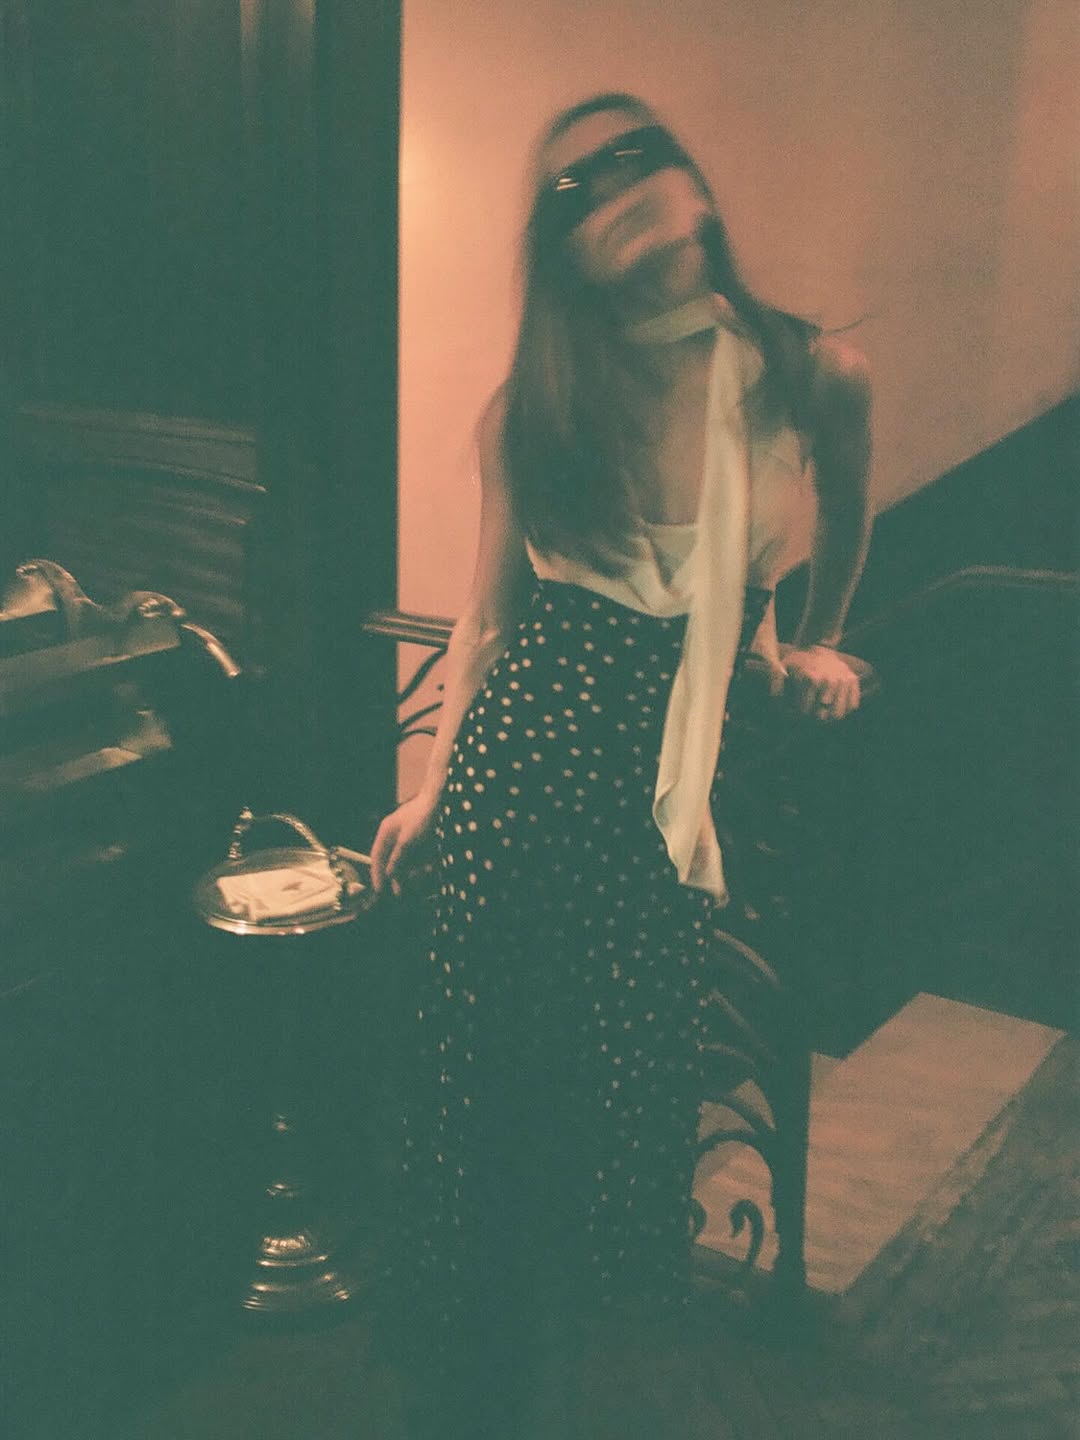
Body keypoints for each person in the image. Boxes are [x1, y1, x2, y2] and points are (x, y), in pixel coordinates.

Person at [370, 91, 872, 1439]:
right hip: (516, 786)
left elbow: (832, 530)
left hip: (653, 818)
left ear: (691, 178)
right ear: (566, 250)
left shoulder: (810, 377)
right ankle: (474, 1396)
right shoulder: (538, 408)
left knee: (604, 1129)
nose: (615, 188)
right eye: (575, 188)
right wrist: (433, 787)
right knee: (490, 1119)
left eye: (635, 155)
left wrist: (813, 645)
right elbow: (487, 621)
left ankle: (534, 1389)